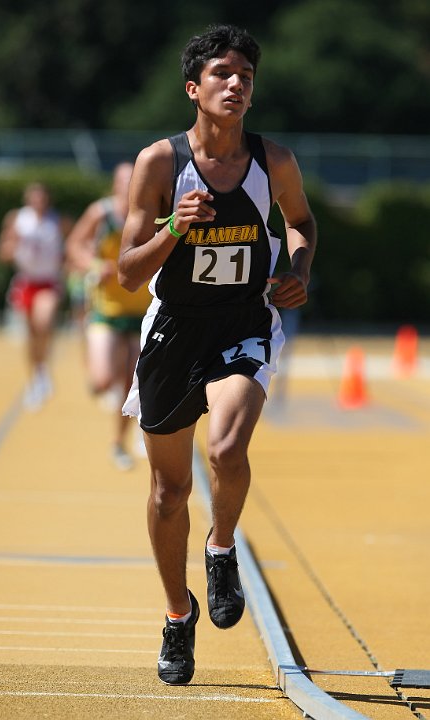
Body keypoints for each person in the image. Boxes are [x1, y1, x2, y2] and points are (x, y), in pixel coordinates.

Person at [118, 24, 317, 685]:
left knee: (227, 451)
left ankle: (222, 547)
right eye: (224, 75)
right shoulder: (158, 164)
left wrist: (298, 266)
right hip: (174, 328)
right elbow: (124, 271)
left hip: (243, 319)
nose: (237, 84)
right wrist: (176, 225)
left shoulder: (273, 161)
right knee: (170, 492)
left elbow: (301, 221)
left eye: (246, 78)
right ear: (192, 88)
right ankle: (178, 617)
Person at [66, 162, 151, 470]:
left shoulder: (151, 212)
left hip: (141, 312)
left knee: (132, 386)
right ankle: (101, 368)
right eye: (124, 182)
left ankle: (119, 443)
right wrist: (92, 264)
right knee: (102, 381)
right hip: (106, 309)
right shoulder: (101, 213)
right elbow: (74, 244)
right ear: (115, 184)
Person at [0, 182, 71, 410]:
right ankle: (36, 376)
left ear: (47, 199)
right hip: (26, 281)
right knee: (30, 333)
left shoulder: (58, 221)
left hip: (48, 282)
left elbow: (70, 249)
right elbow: (3, 253)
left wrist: (66, 268)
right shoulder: (17, 219)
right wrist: (13, 244)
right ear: (27, 199)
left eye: (42, 198)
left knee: (43, 322)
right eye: (34, 198)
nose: (38, 202)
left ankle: (44, 368)